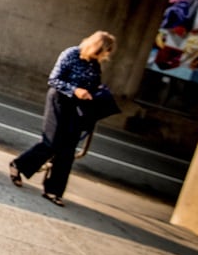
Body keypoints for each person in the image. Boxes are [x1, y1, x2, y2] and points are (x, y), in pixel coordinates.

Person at [8, 30, 117, 206]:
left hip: (77, 106)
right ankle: (19, 165)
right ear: (96, 47)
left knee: (69, 147)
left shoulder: (95, 65)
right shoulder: (71, 54)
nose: (106, 56)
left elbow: (94, 84)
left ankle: (53, 190)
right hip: (59, 100)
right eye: (105, 51)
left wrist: (97, 94)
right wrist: (75, 90)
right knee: (53, 141)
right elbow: (54, 79)